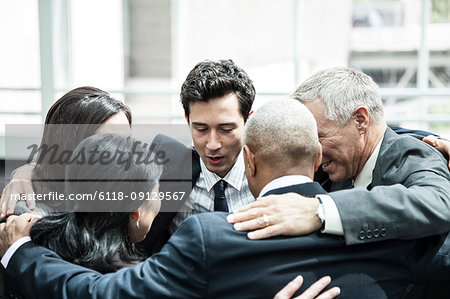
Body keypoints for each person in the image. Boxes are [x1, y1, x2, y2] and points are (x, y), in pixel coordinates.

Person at [1, 99, 449, 298]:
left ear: (248, 158)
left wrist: (19, 252)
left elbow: (98, 293)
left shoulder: (209, 238)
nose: (213, 143)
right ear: (317, 158)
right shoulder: (397, 231)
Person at [228, 67, 450, 246]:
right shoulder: (332, 169)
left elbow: (438, 203)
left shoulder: (413, 153)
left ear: (360, 120)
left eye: (318, 136)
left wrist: (320, 211)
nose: (313, 150)